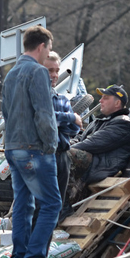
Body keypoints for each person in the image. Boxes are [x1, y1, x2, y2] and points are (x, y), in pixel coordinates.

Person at [2, 25, 60, 258]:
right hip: (34, 148)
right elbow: (44, 114)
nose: (49, 53)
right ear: (41, 47)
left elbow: (6, 113)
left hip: (12, 147)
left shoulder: (10, 74)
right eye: (48, 49)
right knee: (52, 203)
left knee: (23, 204)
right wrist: (51, 145)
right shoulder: (38, 72)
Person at [66, 84, 130, 205]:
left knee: (64, 155)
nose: (100, 100)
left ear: (117, 103)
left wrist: (63, 150)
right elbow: (79, 139)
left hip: (98, 167)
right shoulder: (99, 121)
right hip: (89, 163)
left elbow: (92, 144)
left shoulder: (123, 123)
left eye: (106, 98)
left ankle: (65, 203)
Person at [43, 51, 82, 221]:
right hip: (42, 156)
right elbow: (44, 118)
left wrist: (60, 120)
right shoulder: (35, 96)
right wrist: (70, 117)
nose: (54, 75)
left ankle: (51, 241)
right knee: (42, 205)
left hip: (62, 155)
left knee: (57, 204)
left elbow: (74, 129)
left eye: (56, 70)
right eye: (49, 70)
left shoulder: (62, 99)